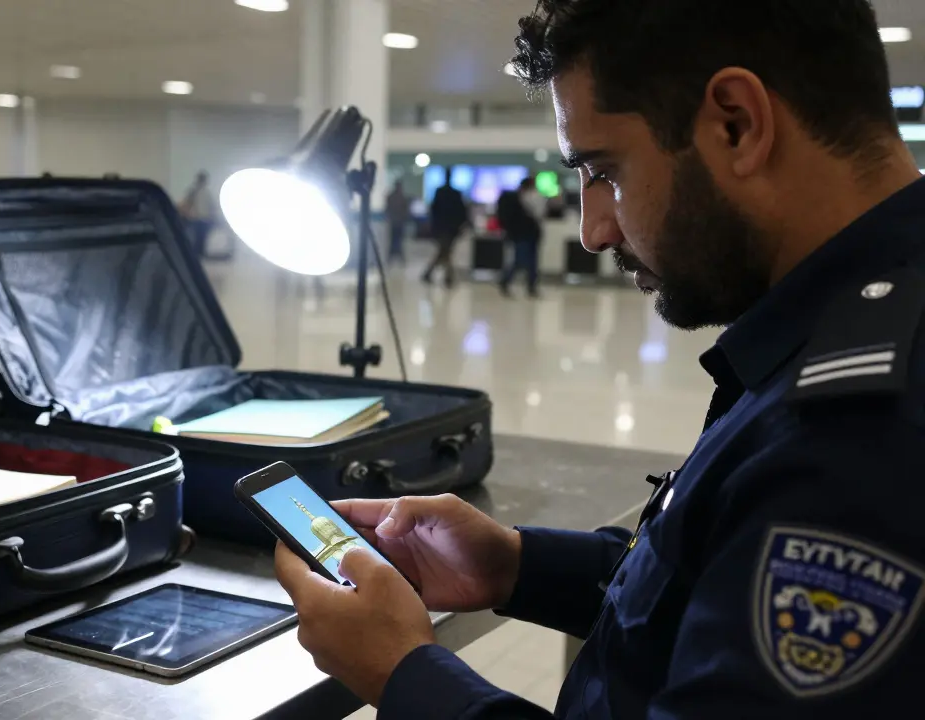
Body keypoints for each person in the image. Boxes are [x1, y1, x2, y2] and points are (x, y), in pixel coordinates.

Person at [274, 0, 925, 717]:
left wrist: (402, 673)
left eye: (604, 171)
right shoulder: (844, 329)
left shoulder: (865, 437)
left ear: (737, 123)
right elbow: (714, 587)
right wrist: (519, 565)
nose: (593, 228)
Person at [496, 177, 544, 297]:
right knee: (522, 259)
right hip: (525, 233)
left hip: (525, 233)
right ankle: (507, 281)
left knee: (529, 260)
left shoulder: (518, 197)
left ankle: (529, 286)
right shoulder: (521, 198)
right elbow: (538, 213)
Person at [422, 167, 469, 286]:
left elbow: (435, 210)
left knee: (444, 251)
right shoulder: (450, 193)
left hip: (446, 227)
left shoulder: (444, 192)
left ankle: (433, 274)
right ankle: (447, 276)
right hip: (447, 227)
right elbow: (461, 211)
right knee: (445, 251)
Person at [181, 171, 216, 258]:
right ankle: (196, 253)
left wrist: (212, 216)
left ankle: (201, 253)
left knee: (203, 237)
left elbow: (211, 206)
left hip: (205, 219)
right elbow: (187, 203)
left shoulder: (207, 192)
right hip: (195, 218)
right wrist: (187, 214)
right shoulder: (193, 191)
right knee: (196, 237)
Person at [385, 179, 412, 265]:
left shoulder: (399, 197)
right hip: (396, 222)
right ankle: (394, 258)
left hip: (398, 222)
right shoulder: (395, 197)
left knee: (398, 241)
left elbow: (405, 210)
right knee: (395, 241)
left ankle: (397, 258)